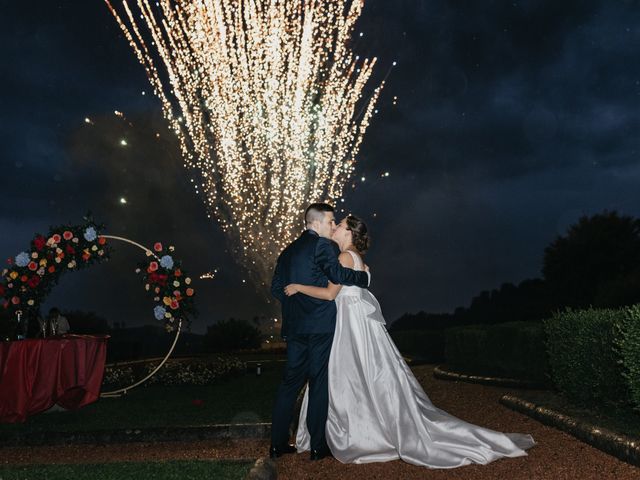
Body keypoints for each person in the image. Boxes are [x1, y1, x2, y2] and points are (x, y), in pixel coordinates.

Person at [286, 215, 536, 468]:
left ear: (349, 232)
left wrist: (298, 286)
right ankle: (368, 426)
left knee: (346, 376)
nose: (335, 227)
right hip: (359, 324)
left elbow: (330, 294)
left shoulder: (343, 257)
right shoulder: (356, 259)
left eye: (339, 225)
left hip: (349, 326)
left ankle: (357, 433)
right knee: (362, 375)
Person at [270, 203, 371, 461]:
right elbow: (337, 274)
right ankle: (317, 446)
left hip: (295, 327)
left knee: (288, 384)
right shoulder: (323, 246)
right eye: (330, 221)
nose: (332, 225)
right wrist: (365, 278)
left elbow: (276, 289)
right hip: (320, 326)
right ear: (316, 223)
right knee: (318, 383)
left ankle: (277, 444)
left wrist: (296, 305)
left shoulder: (287, 251)